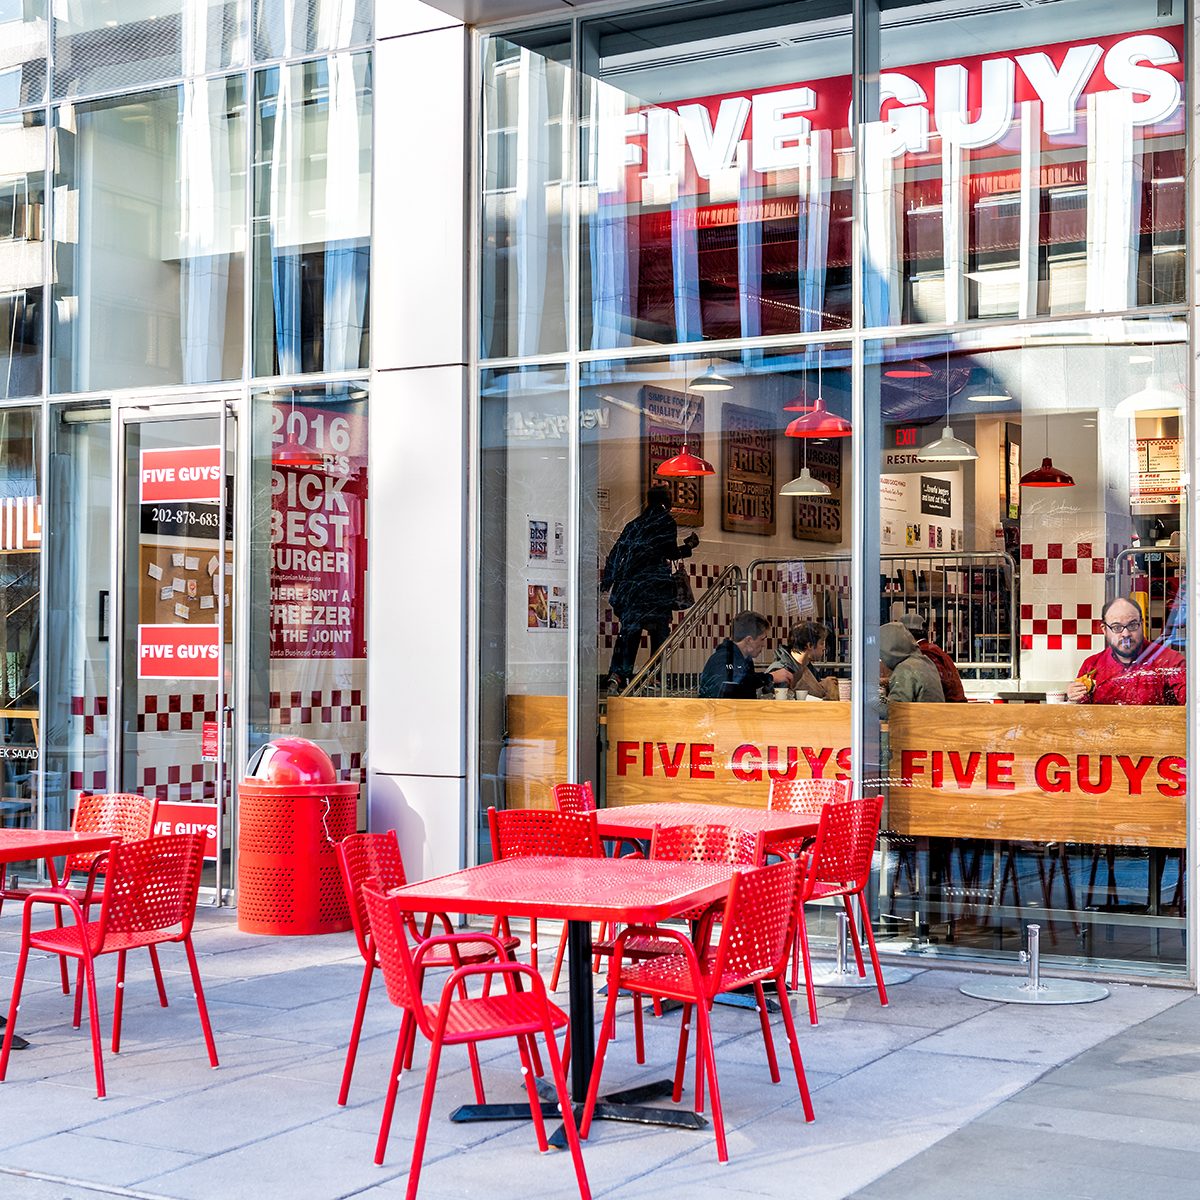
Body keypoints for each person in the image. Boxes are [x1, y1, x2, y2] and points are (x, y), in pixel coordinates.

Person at [601, 485, 699, 690]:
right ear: (666, 502)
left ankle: (618, 675)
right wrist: (688, 546)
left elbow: (617, 551)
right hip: (655, 589)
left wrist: (608, 580)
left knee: (629, 632)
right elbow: (670, 552)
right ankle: (654, 677)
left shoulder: (634, 524)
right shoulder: (665, 522)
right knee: (659, 633)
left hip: (631, 589)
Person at [1066, 595, 1185, 705]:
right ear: (1104, 630)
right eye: (1117, 627)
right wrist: (1074, 695)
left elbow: (1191, 703)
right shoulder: (1092, 666)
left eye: (1132, 625)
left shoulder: (1171, 662)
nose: (1126, 634)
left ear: (1142, 624)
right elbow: (1083, 714)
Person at [699, 610, 774, 699]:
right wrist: (769, 677)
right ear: (749, 640)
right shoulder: (723, 658)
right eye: (762, 639)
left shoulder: (746, 660)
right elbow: (735, 682)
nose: (764, 644)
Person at [899, 611, 966, 702]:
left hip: (945, 709)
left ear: (906, 635)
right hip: (950, 706)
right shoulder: (932, 649)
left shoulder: (924, 653)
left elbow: (934, 684)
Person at [879, 621, 945, 710]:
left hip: (919, 722)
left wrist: (873, 704)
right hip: (932, 719)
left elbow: (895, 711)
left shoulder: (905, 669)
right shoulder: (925, 662)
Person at [766, 621, 839, 699]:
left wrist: (821, 686)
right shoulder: (781, 670)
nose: (824, 648)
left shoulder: (807, 666)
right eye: (821, 643)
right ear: (809, 645)